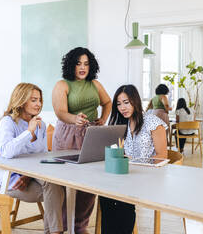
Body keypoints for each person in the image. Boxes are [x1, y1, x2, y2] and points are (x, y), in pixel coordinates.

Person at [52, 47, 112, 233]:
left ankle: (80, 226)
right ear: (71, 65)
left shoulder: (95, 84)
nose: (82, 67)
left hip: (91, 134)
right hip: (67, 134)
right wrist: (74, 119)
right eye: (78, 63)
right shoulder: (62, 85)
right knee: (64, 182)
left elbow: (108, 102)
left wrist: (103, 119)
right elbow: (60, 112)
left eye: (86, 63)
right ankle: (61, 226)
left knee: (90, 181)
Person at [99, 84, 167, 234]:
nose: (122, 107)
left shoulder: (152, 122)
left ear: (135, 101)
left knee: (123, 199)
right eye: (118, 104)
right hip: (127, 176)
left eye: (126, 102)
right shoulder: (121, 124)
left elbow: (162, 156)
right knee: (105, 195)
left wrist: (135, 161)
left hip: (148, 177)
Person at [0, 83, 64, 234]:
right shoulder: (7, 122)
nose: (38, 104)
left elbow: (41, 156)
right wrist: (29, 131)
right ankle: (56, 232)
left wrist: (28, 176)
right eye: (33, 100)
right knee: (56, 190)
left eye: (39, 100)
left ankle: (55, 232)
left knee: (56, 184)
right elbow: (7, 152)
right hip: (11, 179)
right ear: (21, 101)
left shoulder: (41, 125)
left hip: (32, 175)